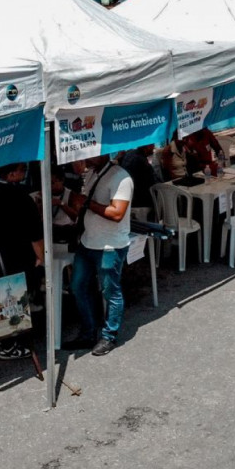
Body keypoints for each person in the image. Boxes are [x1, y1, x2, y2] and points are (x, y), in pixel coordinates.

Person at [63, 155, 133, 356]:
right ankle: (88, 331)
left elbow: (117, 213)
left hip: (110, 245)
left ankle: (109, 335)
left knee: (110, 290)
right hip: (88, 242)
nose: (87, 156)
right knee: (77, 286)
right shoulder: (92, 173)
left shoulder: (121, 177)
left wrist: (86, 203)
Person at [119, 145, 157, 218]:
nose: (154, 147)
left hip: (128, 198)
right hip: (139, 202)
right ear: (147, 146)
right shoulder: (143, 162)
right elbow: (152, 183)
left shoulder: (129, 153)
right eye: (152, 145)